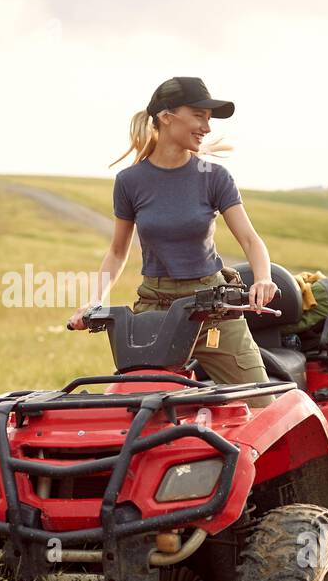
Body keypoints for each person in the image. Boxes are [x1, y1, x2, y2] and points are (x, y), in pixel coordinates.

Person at [68, 77, 277, 407]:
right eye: (198, 115)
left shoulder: (214, 177)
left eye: (209, 118)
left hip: (212, 309)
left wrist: (263, 278)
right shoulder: (130, 181)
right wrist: (94, 300)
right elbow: (118, 251)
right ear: (167, 116)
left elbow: (251, 240)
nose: (206, 127)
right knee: (137, 410)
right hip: (155, 308)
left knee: (264, 405)